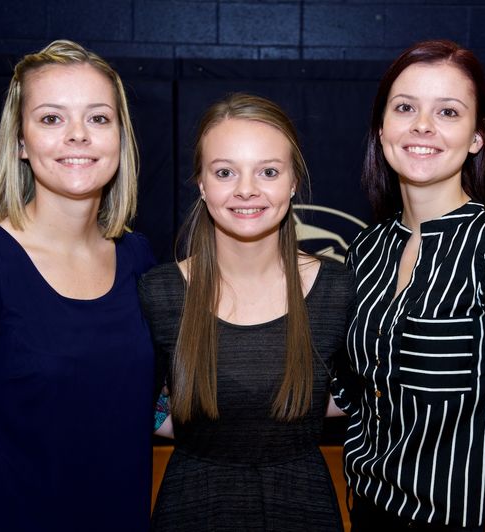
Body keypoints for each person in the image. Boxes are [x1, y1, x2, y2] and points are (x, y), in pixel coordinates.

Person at [0, 40, 157, 531]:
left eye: (99, 118)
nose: (78, 135)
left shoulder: (137, 258)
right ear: (19, 141)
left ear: (121, 138)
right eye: (51, 118)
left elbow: (156, 409)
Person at [337, 39, 485, 531]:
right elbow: (346, 392)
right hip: (370, 509)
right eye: (405, 108)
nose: (422, 125)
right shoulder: (367, 250)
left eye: (448, 111)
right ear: (382, 127)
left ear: (477, 136)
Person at [138, 93, 353, 532]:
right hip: (192, 505)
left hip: (304, 505)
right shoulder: (159, 292)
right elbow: (131, 401)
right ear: (201, 183)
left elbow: (362, 394)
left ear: (293, 182)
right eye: (224, 172)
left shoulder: (338, 290)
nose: (246, 190)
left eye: (268, 172)